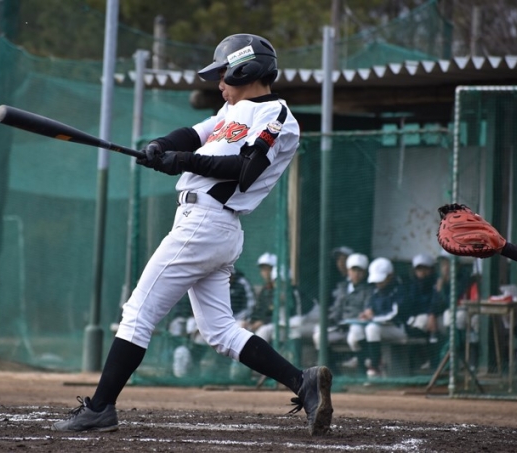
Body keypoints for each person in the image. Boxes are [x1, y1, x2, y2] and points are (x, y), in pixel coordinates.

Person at [52, 33, 333, 437]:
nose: (219, 84)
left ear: (246, 70)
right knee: (219, 330)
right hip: (207, 225)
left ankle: (100, 408)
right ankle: (302, 382)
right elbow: (193, 134)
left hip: (207, 222)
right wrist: (160, 146)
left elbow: (246, 169)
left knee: (137, 313)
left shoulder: (275, 114)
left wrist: (181, 161)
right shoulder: (230, 111)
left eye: (224, 75)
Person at [313, 253, 373, 370]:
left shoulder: (369, 289)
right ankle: (333, 369)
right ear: (348, 271)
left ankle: (362, 367)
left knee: (354, 336)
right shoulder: (342, 288)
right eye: (353, 270)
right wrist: (330, 319)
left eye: (360, 271)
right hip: (341, 327)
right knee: (319, 336)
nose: (356, 274)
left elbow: (367, 309)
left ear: (365, 272)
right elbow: (337, 309)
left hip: (358, 326)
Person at [359, 257, 406, 378]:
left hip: (398, 328)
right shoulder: (376, 291)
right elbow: (370, 306)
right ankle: (366, 364)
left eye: (381, 279)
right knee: (357, 331)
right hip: (381, 327)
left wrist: (373, 317)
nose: (378, 283)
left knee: (372, 328)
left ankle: (375, 366)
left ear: (390, 275)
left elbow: (395, 314)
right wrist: (367, 313)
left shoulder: (399, 289)